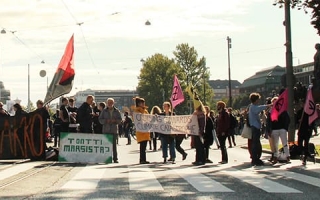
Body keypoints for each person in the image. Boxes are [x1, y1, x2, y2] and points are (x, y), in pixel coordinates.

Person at [248, 93, 272, 166]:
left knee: (256, 143)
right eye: (258, 99)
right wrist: (268, 105)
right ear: (255, 100)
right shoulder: (253, 107)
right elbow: (259, 108)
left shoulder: (253, 106)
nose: (259, 100)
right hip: (255, 127)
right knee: (255, 143)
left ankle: (256, 158)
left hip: (255, 126)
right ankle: (255, 159)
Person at [99, 98, 122, 163]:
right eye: (108, 103)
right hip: (106, 130)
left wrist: (115, 121)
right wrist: (106, 121)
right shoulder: (104, 111)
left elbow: (120, 120)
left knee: (114, 145)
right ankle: (106, 158)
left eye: (111, 103)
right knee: (106, 145)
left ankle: (115, 158)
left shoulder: (117, 111)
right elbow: (100, 120)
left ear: (113, 103)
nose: (109, 104)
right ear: (106, 103)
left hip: (114, 130)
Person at [269, 96, 291, 164]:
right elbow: (269, 121)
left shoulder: (282, 110)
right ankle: (275, 157)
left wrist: (285, 128)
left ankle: (287, 156)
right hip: (274, 129)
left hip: (282, 129)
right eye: (273, 102)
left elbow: (287, 119)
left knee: (285, 143)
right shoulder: (271, 111)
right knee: (275, 144)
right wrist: (270, 129)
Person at [133, 97, 150, 164]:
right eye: (141, 103)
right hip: (141, 131)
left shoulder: (145, 110)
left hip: (146, 131)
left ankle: (143, 159)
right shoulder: (137, 111)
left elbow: (149, 118)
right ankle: (142, 159)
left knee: (144, 146)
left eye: (143, 102)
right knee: (142, 146)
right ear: (139, 103)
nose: (143, 104)